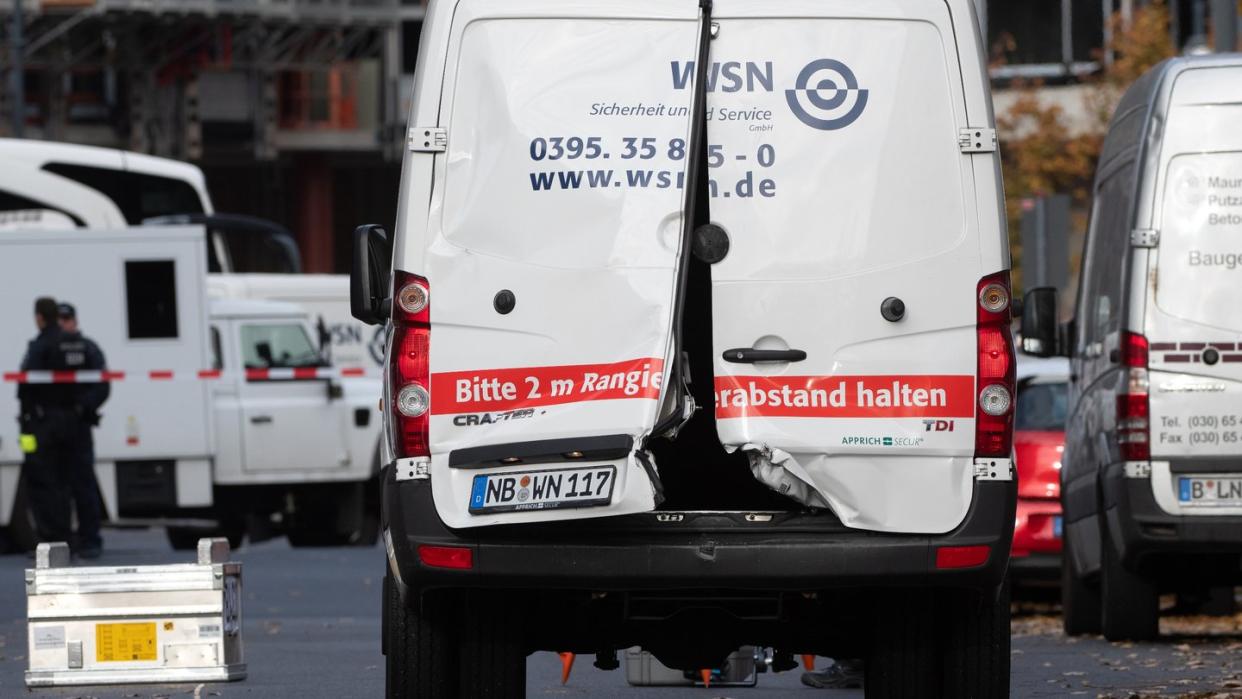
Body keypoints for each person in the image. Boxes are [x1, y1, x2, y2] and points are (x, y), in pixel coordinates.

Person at [17, 297, 75, 550]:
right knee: (63, 482)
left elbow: (27, 385)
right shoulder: (70, 344)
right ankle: (65, 537)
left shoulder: (40, 346)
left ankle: (50, 538)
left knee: (41, 482)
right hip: (66, 424)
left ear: (40, 316)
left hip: (39, 425)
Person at [56, 302, 109, 558]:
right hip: (55, 429)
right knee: (58, 487)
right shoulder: (49, 350)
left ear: (74, 321)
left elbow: (102, 385)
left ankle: (90, 540)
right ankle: (64, 540)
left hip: (78, 427)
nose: (62, 324)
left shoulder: (88, 349)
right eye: (58, 320)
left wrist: (82, 407)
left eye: (66, 319)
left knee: (83, 485)